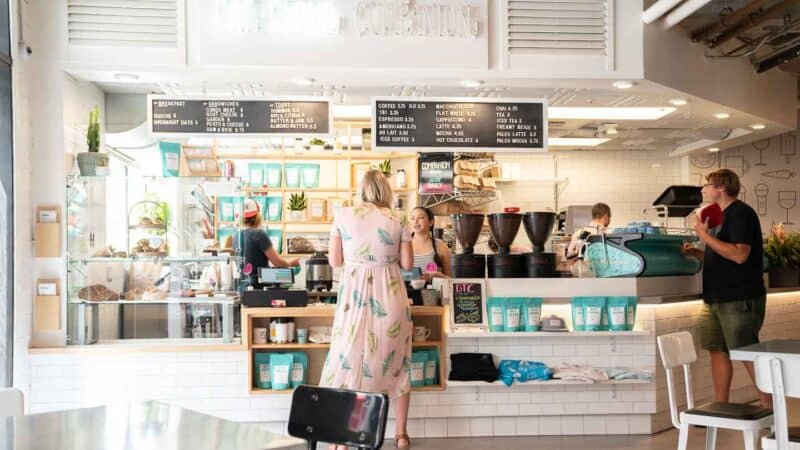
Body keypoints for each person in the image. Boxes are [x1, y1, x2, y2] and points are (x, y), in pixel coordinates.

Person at [320, 170, 414, 450]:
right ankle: (401, 435)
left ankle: (343, 438)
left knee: (348, 362)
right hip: (391, 297)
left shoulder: (343, 215)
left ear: (361, 189)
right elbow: (408, 264)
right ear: (386, 190)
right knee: (398, 365)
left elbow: (335, 261)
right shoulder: (399, 218)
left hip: (354, 297)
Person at [683, 169, 770, 408]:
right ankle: (721, 407)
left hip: (739, 298)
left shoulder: (741, 213)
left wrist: (704, 235)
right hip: (714, 298)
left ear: (721, 187)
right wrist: (698, 252)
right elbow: (723, 255)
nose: (703, 189)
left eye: (707, 184)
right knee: (717, 350)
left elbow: (740, 255)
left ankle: (769, 409)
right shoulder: (720, 217)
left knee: (746, 352)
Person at [237, 198, 299, 287]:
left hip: (243, 286)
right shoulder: (259, 234)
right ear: (258, 215)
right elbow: (277, 262)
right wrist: (291, 263)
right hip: (259, 287)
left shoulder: (236, 236)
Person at [409, 206, 451, 281]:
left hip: (434, 292)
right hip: (407, 292)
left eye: (421, 217)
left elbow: (450, 280)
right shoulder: (404, 245)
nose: (415, 221)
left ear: (431, 222)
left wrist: (439, 276)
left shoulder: (441, 246)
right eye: (412, 218)